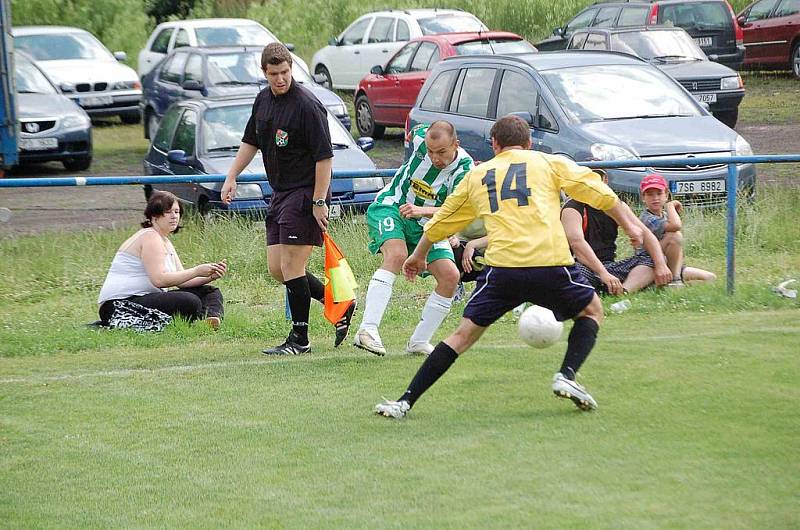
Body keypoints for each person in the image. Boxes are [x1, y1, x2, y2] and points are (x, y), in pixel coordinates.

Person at [374, 114, 650, 419]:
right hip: (550, 263)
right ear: (529, 142)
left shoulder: (478, 175)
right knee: (592, 311)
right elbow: (595, 190)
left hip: (503, 269)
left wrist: (418, 255)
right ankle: (567, 375)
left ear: (494, 144)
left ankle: (404, 402)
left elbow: (444, 220)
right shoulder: (547, 162)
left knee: (462, 336)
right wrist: (629, 224)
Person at [220, 43, 353, 355]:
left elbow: (325, 159)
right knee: (278, 269)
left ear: (291, 69)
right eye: (274, 74)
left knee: (292, 265)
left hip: (306, 192)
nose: (280, 79)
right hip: (280, 193)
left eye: (285, 72)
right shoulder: (263, 100)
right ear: (264, 73)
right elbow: (250, 141)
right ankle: (340, 304)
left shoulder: (307, 105)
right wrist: (231, 176)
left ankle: (300, 339)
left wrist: (320, 201)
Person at [354, 121, 474, 356]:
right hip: (392, 207)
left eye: (441, 152)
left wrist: (426, 213)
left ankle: (418, 341)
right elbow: (415, 127)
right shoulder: (419, 136)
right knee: (397, 255)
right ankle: (367, 330)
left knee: (450, 276)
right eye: (430, 152)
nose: (435, 158)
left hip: (427, 224)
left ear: (455, 144)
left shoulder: (465, 170)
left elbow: (458, 210)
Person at [97, 191, 226, 329]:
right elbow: (159, 280)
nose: (174, 216)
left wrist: (209, 276)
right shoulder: (150, 237)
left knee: (210, 291)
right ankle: (195, 320)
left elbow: (183, 281)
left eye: (177, 212)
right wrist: (196, 271)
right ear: (154, 216)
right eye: (168, 212)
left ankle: (209, 320)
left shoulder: (165, 241)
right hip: (119, 304)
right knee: (190, 301)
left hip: (145, 298)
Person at [560, 182, 672, 296]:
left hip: (610, 266)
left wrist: (661, 265)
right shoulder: (573, 207)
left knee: (655, 259)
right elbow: (577, 244)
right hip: (582, 266)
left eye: (597, 178)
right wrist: (603, 273)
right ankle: (605, 287)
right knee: (571, 273)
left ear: (605, 180)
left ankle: (622, 291)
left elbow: (646, 235)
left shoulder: (615, 204)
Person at [638, 173, 716, 284]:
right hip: (648, 261)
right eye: (650, 194)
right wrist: (670, 206)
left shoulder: (664, 215)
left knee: (710, 277)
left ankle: (675, 274)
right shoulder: (646, 218)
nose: (655, 198)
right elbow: (676, 226)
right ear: (643, 197)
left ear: (666, 195)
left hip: (667, 261)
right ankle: (675, 280)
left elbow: (677, 246)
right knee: (674, 236)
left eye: (659, 193)